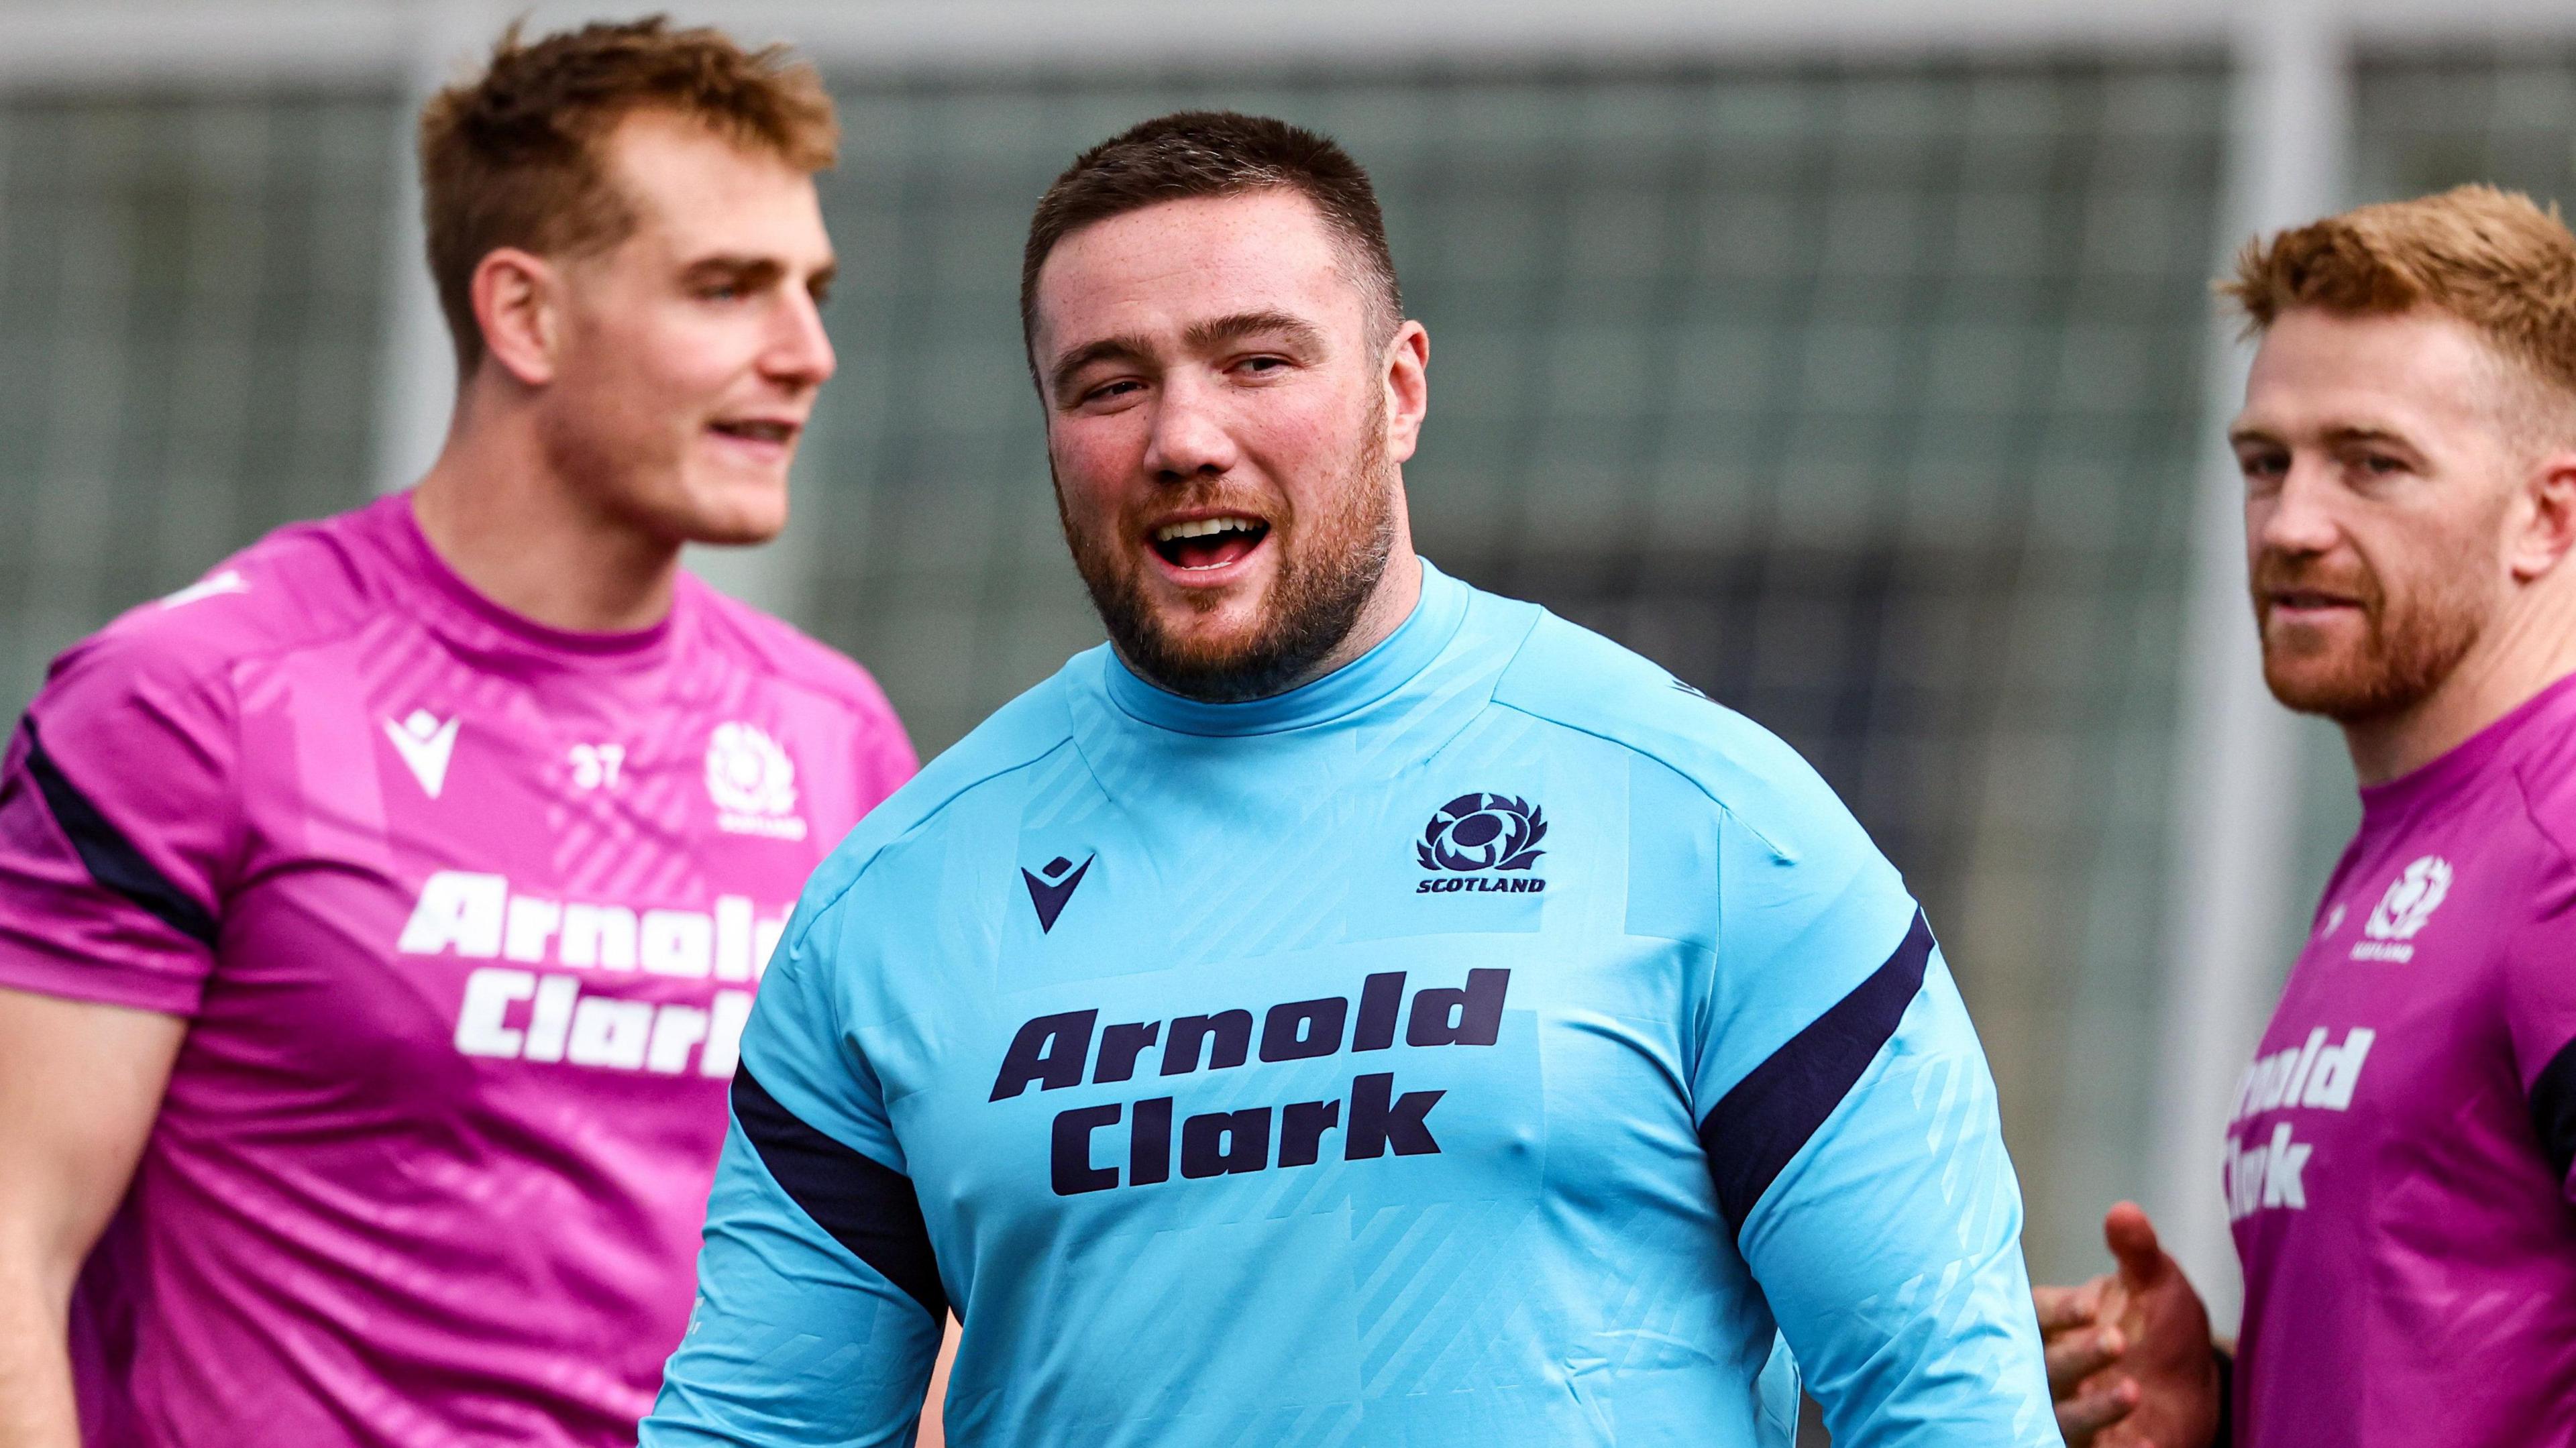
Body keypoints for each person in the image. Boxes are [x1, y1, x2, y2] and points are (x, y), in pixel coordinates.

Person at [643, 110, 2053, 1448]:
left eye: (1257, 361)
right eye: (1110, 384)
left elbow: (1945, 1404)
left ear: (1400, 391)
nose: (1183, 437)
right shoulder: (894, 905)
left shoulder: (1713, 822)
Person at [0, 19, 918, 1447]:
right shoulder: (193, 702)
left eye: (813, 289)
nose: (807, 352)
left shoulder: (833, 735)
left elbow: (879, 1274)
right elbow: (14, 1244)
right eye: (728, 288)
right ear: (524, 315)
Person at [2039, 185, 2576, 1447]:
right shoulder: (2415, 842)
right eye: (2264, 464)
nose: (2291, 525)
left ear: (2548, 515)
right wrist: (2217, 1410)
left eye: (2372, 463)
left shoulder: (2558, 844)